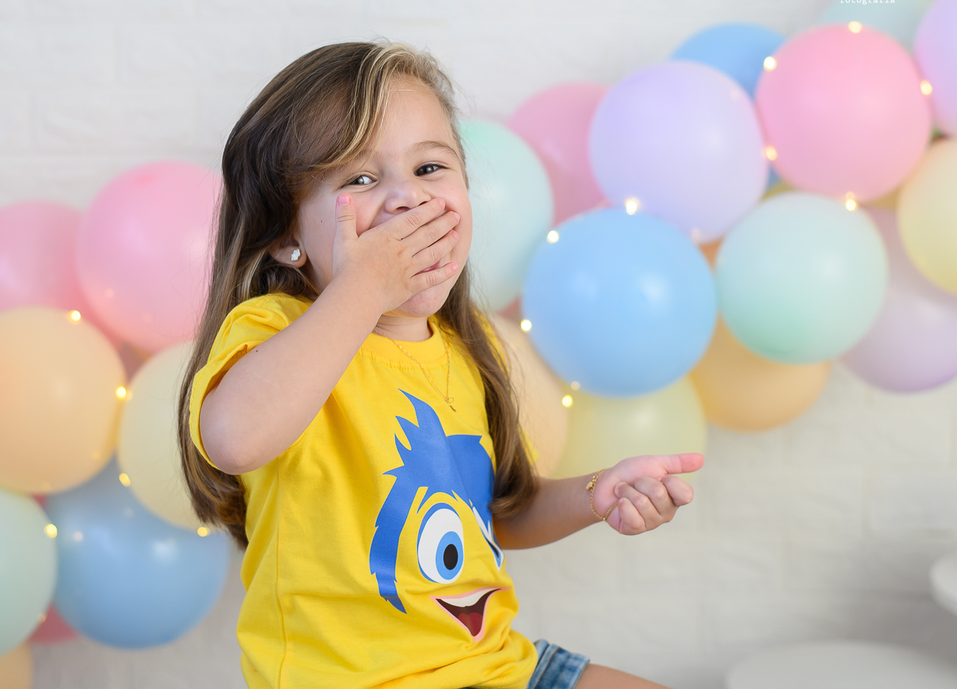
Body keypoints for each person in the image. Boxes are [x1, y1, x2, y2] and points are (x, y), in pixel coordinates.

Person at [177, 41, 703, 689]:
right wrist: (365, 286)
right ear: (287, 237)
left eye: (429, 167)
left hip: (494, 666)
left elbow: (494, 513)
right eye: (360, 179)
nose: (407, 200)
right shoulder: (276, 332)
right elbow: (233, 437)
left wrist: (597, 492)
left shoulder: (461, 346)